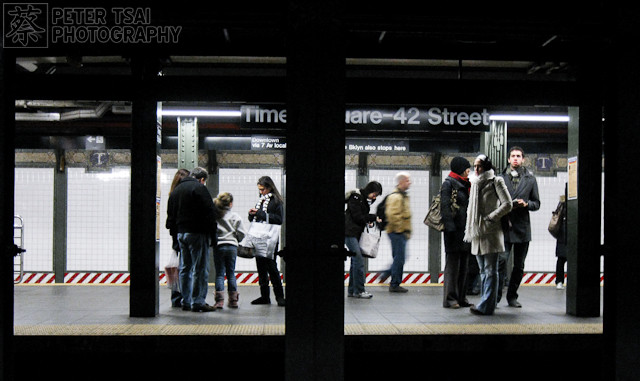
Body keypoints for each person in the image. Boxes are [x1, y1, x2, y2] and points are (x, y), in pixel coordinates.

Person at [464, 155, 512, 316]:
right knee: (483, 271)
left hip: (491, 231)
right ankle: (485, 303)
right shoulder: (475, 183)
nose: (476, 169)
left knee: (491, 271)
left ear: (486, 167)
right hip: (477, 231)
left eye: (479, 166)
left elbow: (508, 204)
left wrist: (492, 217)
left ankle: (487, 305)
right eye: (475, 166)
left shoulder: (496, 181)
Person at [166, 167, 219, 312]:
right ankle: (198, 302)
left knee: (185, 268)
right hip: (197, 233)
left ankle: (186, 301)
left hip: (181, 234)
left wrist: (175, 238)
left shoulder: (176, 190)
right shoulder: (199, 188)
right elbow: (210, 213)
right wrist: (213, 236)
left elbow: (170, 217)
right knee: (200, 269)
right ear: (202, 179)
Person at [498, 146, 541, 308]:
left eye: (518, 156)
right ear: (508, 159)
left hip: (523, 227)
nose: (515, 159)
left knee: (519, 265)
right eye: (513, 156)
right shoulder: (500, 178)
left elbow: (537, 203)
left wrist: (526, 204)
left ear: (523, 159)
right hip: (505, 225)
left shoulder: (530, 179)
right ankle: (495, 296)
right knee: (501, 261)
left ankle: (512, 297)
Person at [248, 176, 286, 306]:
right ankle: (264, 296)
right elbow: (257, 216)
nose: (261, 192)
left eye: (263, 189)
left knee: (271, 266)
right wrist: (252, 214)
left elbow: (279, 219)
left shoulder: (276, 201)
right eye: (259, 189)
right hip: (259, 237)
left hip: (270, 238)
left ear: (269, 187)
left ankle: (280, 296)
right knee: (261, 267)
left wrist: (260, 214)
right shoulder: (261, 201)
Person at [441, 157, 473, 309]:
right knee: (453, 267)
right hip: (453, 232)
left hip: (466, 231)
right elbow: (445, 208)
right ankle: (450, 299)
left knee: (464, 266)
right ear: (461, 168)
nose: (469, 170)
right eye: (467, 168)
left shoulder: (466, 184)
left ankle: (461, 297)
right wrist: (450, 229)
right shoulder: (448, 184)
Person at [345, 181, 383, 299]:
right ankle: (360, 290)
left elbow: (361, 216)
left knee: (355, 262)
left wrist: (370, 219)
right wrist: (373, 218)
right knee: (359, 260)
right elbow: (358, 216)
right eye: (374, 194)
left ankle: (352, 290)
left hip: (355, 232)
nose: (375, 197)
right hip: (349, 232)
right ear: (369, 190)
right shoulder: (356, 197)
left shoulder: (363, 199)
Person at [213, 192, 246, 308]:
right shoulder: (235, 217)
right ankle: (233, 301)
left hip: (219, 247)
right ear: (231, 204)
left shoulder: (216, 216)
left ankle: (219, 302)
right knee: (231, 273)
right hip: (232, 247)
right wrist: (236, 239)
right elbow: (242, 233)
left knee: (219, 274)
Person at [384, 172, 412, 293]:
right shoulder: (396, 197)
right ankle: (394, 283)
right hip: (397, 232)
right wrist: (401, 230)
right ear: (401, 182)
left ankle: (388, 275)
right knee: (400, 258)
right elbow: (392, 215)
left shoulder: (403, 196)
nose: (409, 182)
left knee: (400, 257)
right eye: (407, 180)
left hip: (399, 232)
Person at [166, 168, 190, 307]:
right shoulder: (186, 194)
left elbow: (170, 220)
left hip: (176, 237)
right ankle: (185, 297)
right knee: (186, 267)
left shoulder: (172, 194)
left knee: (177, 267)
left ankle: (176, 298)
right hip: (185, 233)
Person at [554, 195, 567, 290]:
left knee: (561, 260)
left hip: (562, 235)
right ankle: (560, 281)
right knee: (564, 260)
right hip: (565, 235)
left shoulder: (562, 203)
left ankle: (559, 281)